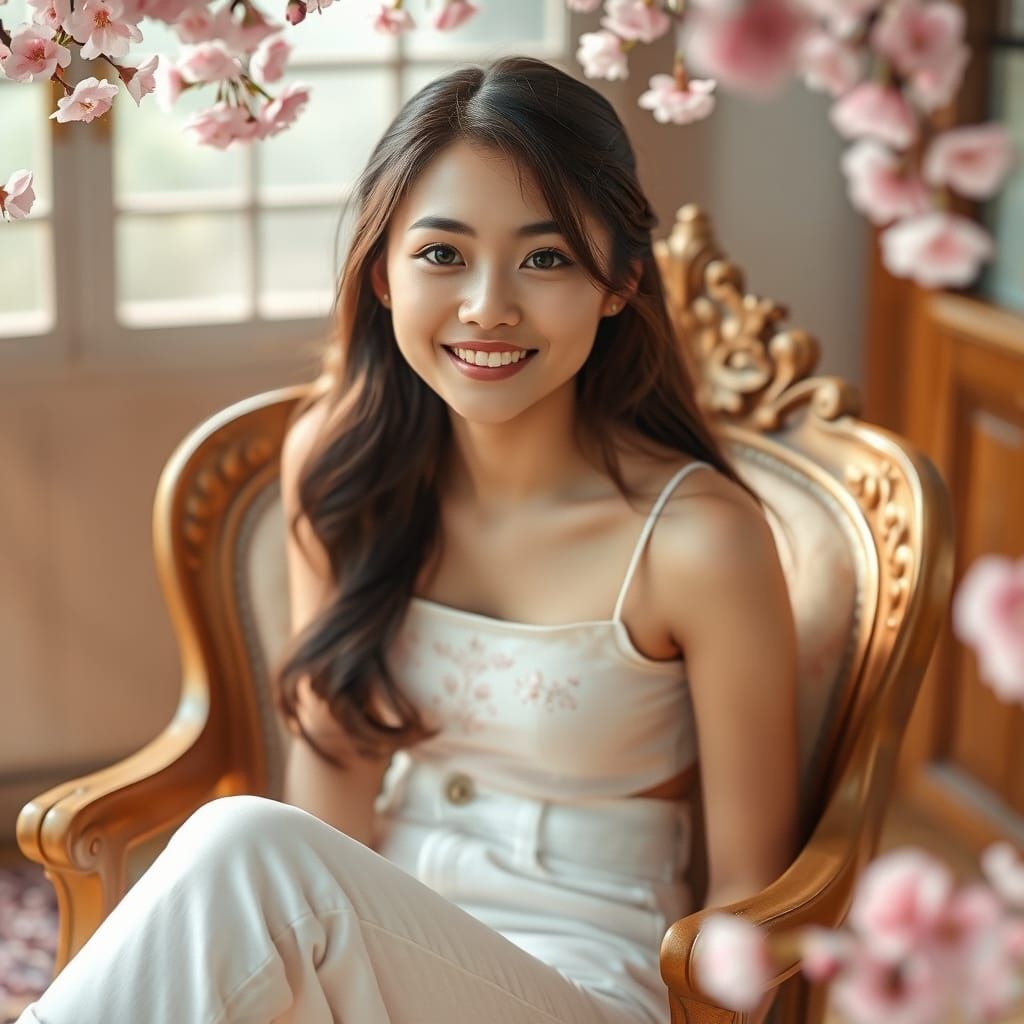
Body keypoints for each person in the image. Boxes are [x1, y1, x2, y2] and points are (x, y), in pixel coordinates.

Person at [17, 55, 799, 1024]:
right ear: (382, 272)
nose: (487, 306)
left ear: (619, 280)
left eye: (545, 257)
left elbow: (751, 894)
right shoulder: (343, 474)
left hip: (588, 986)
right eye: (442, 253)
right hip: (368, 970)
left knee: (249, 850)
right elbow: (329, 804)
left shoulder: (697, 541)